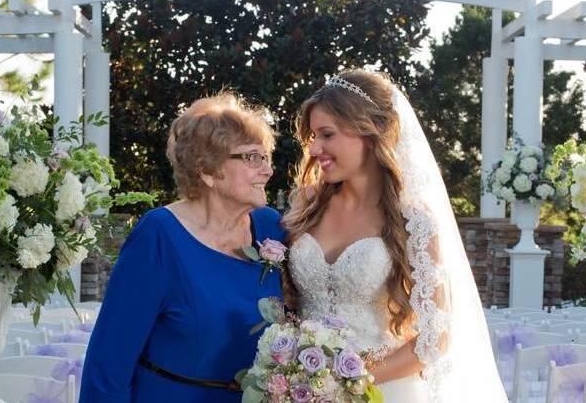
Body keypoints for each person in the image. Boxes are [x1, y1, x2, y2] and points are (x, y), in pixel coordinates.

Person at [283, 69, 507, 402]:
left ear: (372, 132)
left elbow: (434, 336)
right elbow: (285, 301)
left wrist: (345, 381)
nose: (314, 148)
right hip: (301, 390)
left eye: (326, 134)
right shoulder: (306, 204)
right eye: (312, 136)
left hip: (382, 390)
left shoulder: (412, 220)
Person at [80, 93, 285, 402]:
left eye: (266, 157)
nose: (267, 170)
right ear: (207, 170)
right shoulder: (158, 237)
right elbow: (108, 366)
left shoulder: (271, 227)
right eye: (252, 157)